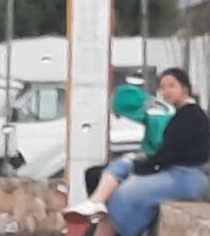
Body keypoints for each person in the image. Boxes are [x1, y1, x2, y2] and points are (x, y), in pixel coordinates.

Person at [61, 68, 210, 236]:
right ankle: (95, 202)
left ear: (185, 89)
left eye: (172, 86)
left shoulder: (191, 116)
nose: (166, 91)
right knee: (123, 164)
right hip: (175, 172)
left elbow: (172, 153)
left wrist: (146, 166)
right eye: (163, 87)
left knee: (124, 193)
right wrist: (144, 163)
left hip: (186, 177)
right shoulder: (180, 114)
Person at [62, 81, 174, 216]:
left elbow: (159, 146)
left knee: (95, 175)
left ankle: (102, 212)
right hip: (157, 164)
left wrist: (139, 157)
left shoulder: (156, 116)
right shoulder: (156, 110)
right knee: (95, 173)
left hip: (158, 168)